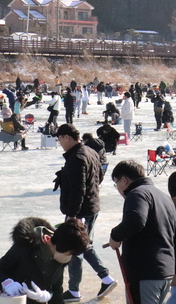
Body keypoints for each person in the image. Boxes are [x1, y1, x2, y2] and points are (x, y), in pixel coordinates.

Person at [109, 160, 176, 304]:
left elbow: (136, 220)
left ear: (124, 180)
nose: (118, 188)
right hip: (165, 272)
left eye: (116, 183)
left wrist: (115, 236)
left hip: (144, 272)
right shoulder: (164, 197)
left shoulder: (137, 194)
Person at [54, 123, 117, 302]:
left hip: (81, 209)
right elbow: (98, 177)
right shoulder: (91, 152)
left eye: (59, 139)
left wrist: (73, 215)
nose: (59, 143)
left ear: (67, 137)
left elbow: (78, 188)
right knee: (79, 247)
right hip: (92, 206)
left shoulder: (77, 157)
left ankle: (105, 278)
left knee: (79, 245)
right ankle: (75, 290)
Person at [0, 217, 90, 304]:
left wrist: (48, 296)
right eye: (68, 254)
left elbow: (56, 291)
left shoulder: (60, 260)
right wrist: (6, 283)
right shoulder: (26, 246)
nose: (69, 258)